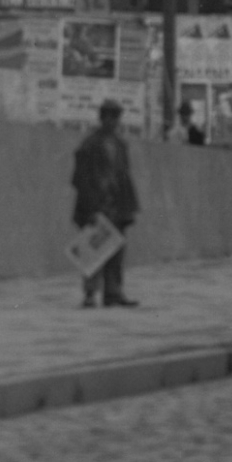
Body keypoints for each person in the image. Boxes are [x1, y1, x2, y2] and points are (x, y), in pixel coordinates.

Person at [71, 99, 140, 308]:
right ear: (103, 118)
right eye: (111, 117)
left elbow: (125, 175)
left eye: (116, 117)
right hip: (95, 204)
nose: (114, 122)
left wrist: (128, 205)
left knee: (116, 251)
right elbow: (79, 179)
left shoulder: (120, 144)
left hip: (116, 205)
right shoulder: (89, 144)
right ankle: (90, 293)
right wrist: (91, 207)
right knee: (93, 251)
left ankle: (113, 292)